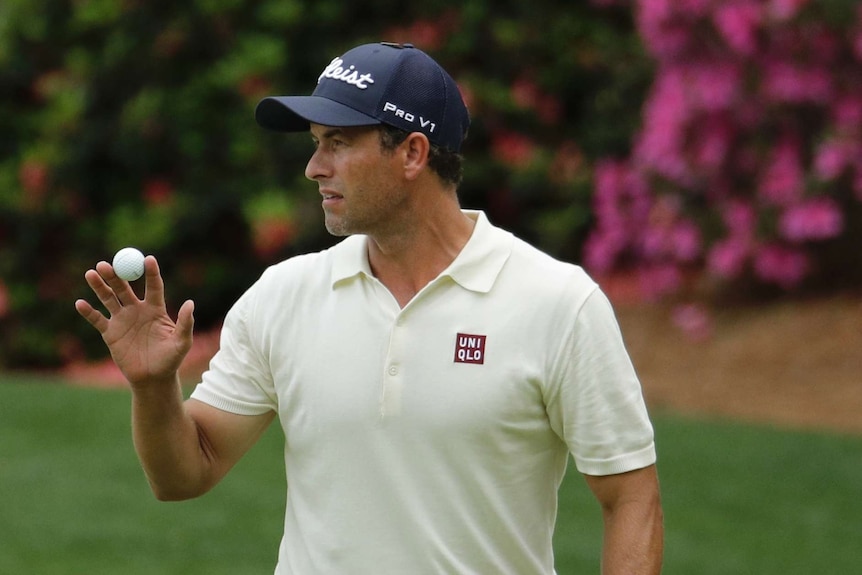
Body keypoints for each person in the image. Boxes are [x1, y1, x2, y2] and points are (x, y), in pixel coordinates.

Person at [76, 42, 663, 574]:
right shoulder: (283, 296)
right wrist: (154, 389)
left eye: (338, 142)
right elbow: (185, 474)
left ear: (412, 153)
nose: (314, 167)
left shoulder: (559, 304)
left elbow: (631, 497)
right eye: (314, 144)